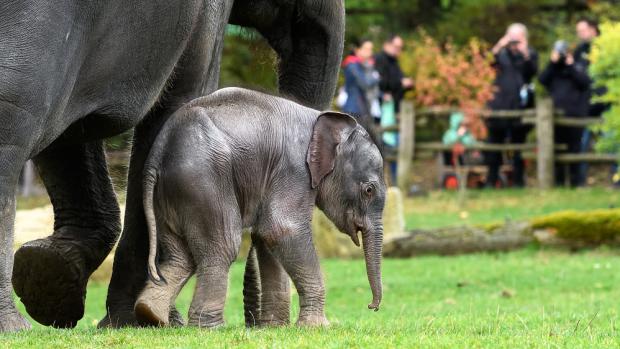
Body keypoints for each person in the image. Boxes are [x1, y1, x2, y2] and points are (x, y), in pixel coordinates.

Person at [485, 23, 539, 188]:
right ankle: (491, 181)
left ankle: (518, 181)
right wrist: (500, 45)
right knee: (494, 146)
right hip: (499, 107)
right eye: (512, 37)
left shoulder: (530, 54)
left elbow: (533, 72)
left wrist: (525, 53)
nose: (514, 42)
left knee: (518, 148)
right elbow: (487, 63)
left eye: (518, 37)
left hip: (519, 108)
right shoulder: (501, 55)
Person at [539, 40, 591, 186]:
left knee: (575, 149)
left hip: (575, 116)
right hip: (555, 117)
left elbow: (585, 83)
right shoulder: (553, 69)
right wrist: (552, 63)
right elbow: (542, 80)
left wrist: (571, 65)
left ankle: (576, 182)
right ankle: (559, 182)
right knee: (556, 150)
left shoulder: (576, 67)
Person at [573, 18, 610, 184]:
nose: (580, 34)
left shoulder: (605, 48)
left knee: (611, 142)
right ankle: (581, 181)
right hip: (586, 106)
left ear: (593, 29)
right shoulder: (580, 50)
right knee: (582, 145)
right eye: (578, 31)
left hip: (606, 104)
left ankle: (616, 180)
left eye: (582, 30)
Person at [341, 38, 380, 126]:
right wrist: (376, 77)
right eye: (366, 49)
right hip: (353, 110)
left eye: (371, 49)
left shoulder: (362, 65)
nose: (370, 52)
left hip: (363, 109)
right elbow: (364, 83)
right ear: (357, 50)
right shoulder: (352, 65)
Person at [374, 34, 414, 115]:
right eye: (396, 47)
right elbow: (381, 83)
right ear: (387, 45)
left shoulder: (394, 60)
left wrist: (408, 83)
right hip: (383, 107)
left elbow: (400, 78)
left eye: (400, 47)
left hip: (395, 106)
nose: (398, 50)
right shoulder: (379, 59)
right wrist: (401, 82)